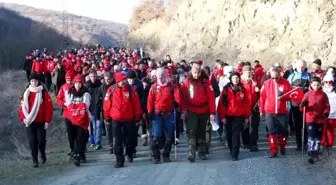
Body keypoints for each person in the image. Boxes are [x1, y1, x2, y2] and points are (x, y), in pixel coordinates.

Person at [103, 72, 142, 168]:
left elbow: (136, 104)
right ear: (117, 81)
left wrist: (137, 117)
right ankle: (119, 160)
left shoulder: (130, 90)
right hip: (115, 119)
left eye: (124, 80)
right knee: (117, 140)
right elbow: (107, 105)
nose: (123, 82)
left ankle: (130, 152)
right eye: (121, 80)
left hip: (128, 119)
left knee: (129, 139)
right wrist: (107, 117)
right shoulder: (111, 90)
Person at [180, 63, 216, 162]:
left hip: (204, 110)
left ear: (200, 72)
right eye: (195, 73)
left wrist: (212, 112)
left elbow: (211, 98)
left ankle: (202, 151)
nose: (196, 75)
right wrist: (183, 111)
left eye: (198, 73)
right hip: (191, 110)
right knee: (192, 131)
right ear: (191, 72)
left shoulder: (206, 82)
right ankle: (191, 152)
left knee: (201, 132)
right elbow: (184, 98)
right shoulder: (187, 82)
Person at [18, 72, 54, 168]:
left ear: (38, 81)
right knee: (32, 141)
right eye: (32, 81)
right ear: (30, 82)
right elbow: (22, 108)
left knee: (41, 141)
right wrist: (24, 119)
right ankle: (35, 160)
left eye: (35, 81)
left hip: (41, 121)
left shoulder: (43, 93)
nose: (34, 82)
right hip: (29, 122)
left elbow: (48, 108)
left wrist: (47, 120)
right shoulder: (26, 93)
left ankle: (42, 153)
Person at [147, 68, 182, 164]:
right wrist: (149, 112)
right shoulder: (154, 87)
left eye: (162, 78)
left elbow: (178, 97)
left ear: (165, 77)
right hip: (157, 113)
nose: (160, 80)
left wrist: (176, 103)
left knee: (169, 136)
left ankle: (166, 154)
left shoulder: (171, 86)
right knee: (156, 136)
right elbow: (150, 101)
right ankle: (156, 156)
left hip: (169, 113)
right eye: (158, 78)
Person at [260, 67, 292, 158]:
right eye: (272, 77)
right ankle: (273, 150)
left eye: (276, 77)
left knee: (284, 131)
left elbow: (290, 95)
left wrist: (283, 98)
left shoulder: (285, 82)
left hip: (282, 111)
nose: (274, 80)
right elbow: (262, 98)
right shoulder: (266, 83)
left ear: (280, 75)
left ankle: (282, 145)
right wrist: (261, 110)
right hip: (270, 111)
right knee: (271, 132)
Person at [217, 72, 250, 161]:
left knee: (236, 134)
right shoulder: (226, 90)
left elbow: (246, 104)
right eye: (234, 78)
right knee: (229, 134)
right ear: (231, 79)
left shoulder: (242, 89)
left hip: (239, 115)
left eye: (237, 78)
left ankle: (235, 153)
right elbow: (221, 104)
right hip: (228, 115)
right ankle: (231, 148)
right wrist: (222, 117)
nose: (236, 80)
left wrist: (247, 116)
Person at [300, 77, 329, 164]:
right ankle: (311, 150)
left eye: (317, 85)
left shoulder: (323, 95)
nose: (316, 87)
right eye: (314, 85)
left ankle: (316, 150)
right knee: (311, 135)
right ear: (311, 85)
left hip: (320, 118)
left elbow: (327, 106)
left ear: (320, 84)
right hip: (310, 117)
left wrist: (326, 112)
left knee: (318, 136)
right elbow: (301, 109)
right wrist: (303, 105)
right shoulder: (307, 94)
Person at [65, 76, 91, 166]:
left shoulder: (86, 93)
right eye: (76, 83)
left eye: (79, 83)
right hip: (71, 118)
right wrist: (78, 106)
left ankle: (78, 155)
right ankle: (76, 152)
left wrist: (75, 107)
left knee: (80, 138)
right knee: (72, 137)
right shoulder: (70, 93)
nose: (78, 85)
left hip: (82, 119)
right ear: (73, 84)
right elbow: (68, 105)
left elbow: (86, 105)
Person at [287, 59, 311, 151]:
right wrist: (289, 105)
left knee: (305, 123)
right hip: (295, 104)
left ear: (305, 66)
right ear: (296, 67)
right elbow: (288, 91)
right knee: (297, 124)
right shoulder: (291, 77)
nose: (301, 68)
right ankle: (298, 143)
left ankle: (305, 143)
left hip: (306, 103)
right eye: (299, 67)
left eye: (303, 67)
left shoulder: (309, 76)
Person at [240, 66, 261, 151]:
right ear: (243, 73)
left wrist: (258, 89)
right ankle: (246, 143)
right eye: (246, 72)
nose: (248, 74)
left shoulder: (255, 82)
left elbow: (261, 93)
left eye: (249, 72)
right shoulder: (240, 82)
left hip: (254, 107)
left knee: (254, 126)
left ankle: (253, 144)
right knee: (245, 126)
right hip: (243, 107)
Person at [56, 71, 75, 157]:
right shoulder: (63, 88)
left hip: (77, 113)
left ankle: (79, 148)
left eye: (71, 79)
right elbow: (58, 99)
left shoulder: (77, 87)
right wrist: (63, 104)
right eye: (68, 80)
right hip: (67, 113)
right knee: (70, 133)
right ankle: (72, 148)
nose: (69, 81)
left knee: (78, 133)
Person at [127, 70, 145, 157]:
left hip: (136, 110)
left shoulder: (139, 84)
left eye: (132, 79)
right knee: (126, 132)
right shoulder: (125, 85)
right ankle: (127, 148)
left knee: (134, 132)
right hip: (127, 111)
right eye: (129, 79)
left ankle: (133, 149)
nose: (131, 80)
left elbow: (142, 96)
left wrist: (141, 109)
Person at [86, 70, 103, 150]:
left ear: (97, 76)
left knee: (98, 125)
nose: (93, 78)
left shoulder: (100, 85)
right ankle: (92, 141)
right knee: (91, 126)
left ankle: (98, 141)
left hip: (98, 108)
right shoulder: (86, 86)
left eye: (94, 76)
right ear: (89, 77)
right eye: (92, 76)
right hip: (89, 109)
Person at [98, 72, 115, 154]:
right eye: (106, 79)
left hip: (115, 111)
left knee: (116, 130)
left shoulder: (115, 86)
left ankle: (117, 145)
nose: (107, 81)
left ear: (112, 78)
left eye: (109, 79)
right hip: (106, 111)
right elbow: (98, 100)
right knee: (109, 131)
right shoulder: (101, 87)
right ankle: (111, 146)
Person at [321, 74, 336, 149]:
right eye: (326, 82)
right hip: (323, 114)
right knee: (323, 130)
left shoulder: (335, 91)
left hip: (333, 114)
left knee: (330, 130)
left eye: (330, 82)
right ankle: (322, 143)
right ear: (323, 82)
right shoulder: (321, 90)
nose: (328, 84)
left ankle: (329, 144)